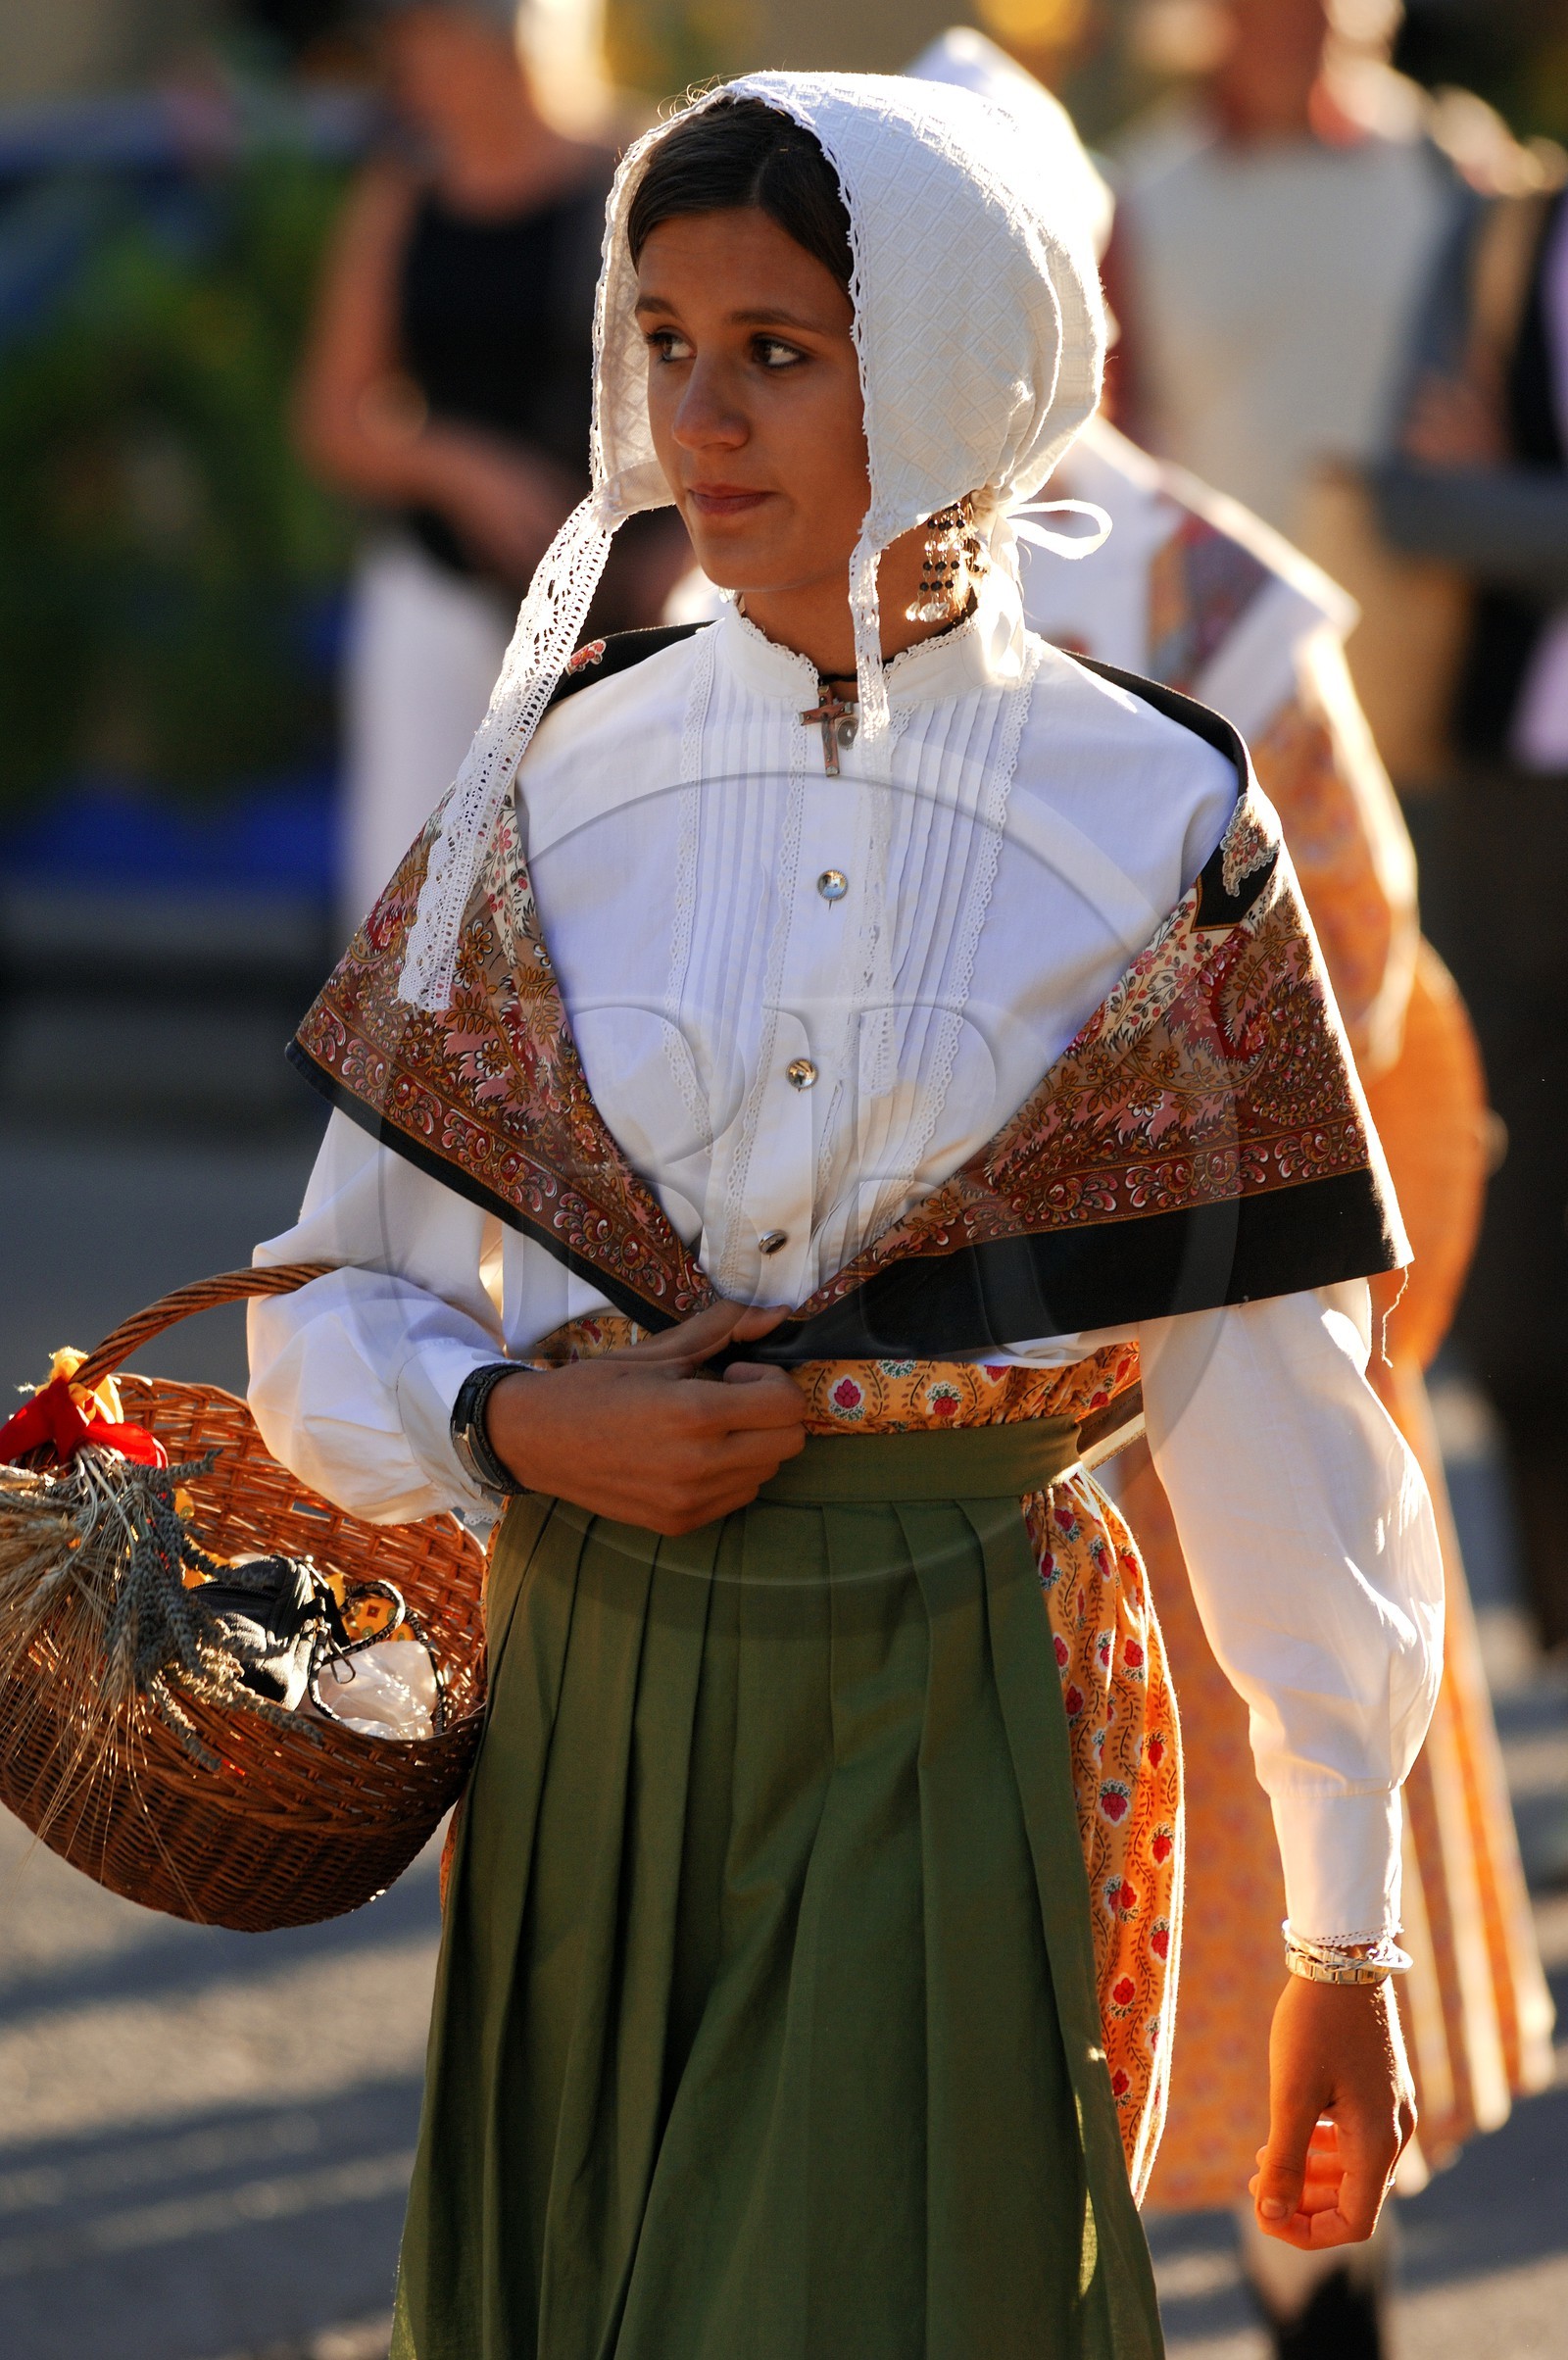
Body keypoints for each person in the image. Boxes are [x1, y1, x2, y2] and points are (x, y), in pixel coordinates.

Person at [251, 75, 1441, 2357]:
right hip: (595, 1693)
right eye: (661, 336)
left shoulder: (1151, 811)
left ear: (977, 361)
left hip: (961, 1687)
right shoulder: (551, 777)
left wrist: (1343, 1937)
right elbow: (326, 1314)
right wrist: (511, 1428)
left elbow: (1282, 1420)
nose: (694, 411)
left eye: (776, 348)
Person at [905, 31, 1553, 2357]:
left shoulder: (1138, 590)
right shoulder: (1170, 583)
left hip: (1000, 1415)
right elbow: (1382, 1026)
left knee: (1189, 1955)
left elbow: (1373, 1013)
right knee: (1264, 1907)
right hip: (1158, 1362)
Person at [294, 0, 685, 937]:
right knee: (412, 897)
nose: (408, 62)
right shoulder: (404, 196)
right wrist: (461, 466)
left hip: (623, 600)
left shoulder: (635, 175)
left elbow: (708, 380)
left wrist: (681, 555)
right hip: (446, 587)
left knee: (614, 896)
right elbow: (332, 417)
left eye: (429, 33)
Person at [1372, 161, 1568, 1650]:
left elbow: (1473, 500)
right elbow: (1413, 496)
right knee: (1526, 1265)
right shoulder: (1505, 233)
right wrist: (1489, 501)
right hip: (1515, 806)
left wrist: (1519, 499)